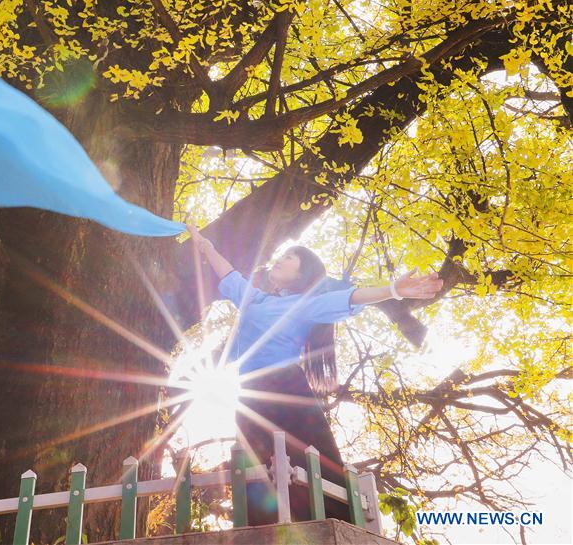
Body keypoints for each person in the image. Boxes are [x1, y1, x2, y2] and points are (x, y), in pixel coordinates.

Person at [186, 224, 442, 525]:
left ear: (301, 274)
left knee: (313, 462)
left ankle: (338, 526)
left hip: (287, 389)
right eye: (283, 254)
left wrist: (394, 290)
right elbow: (229, 274)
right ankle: (263, 533)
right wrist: (206, 246)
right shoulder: (255, 299)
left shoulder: (306, 304)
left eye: (291, 257)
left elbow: (351, 298)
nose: (281, 258)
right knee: (255, 470)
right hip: (250, 394)